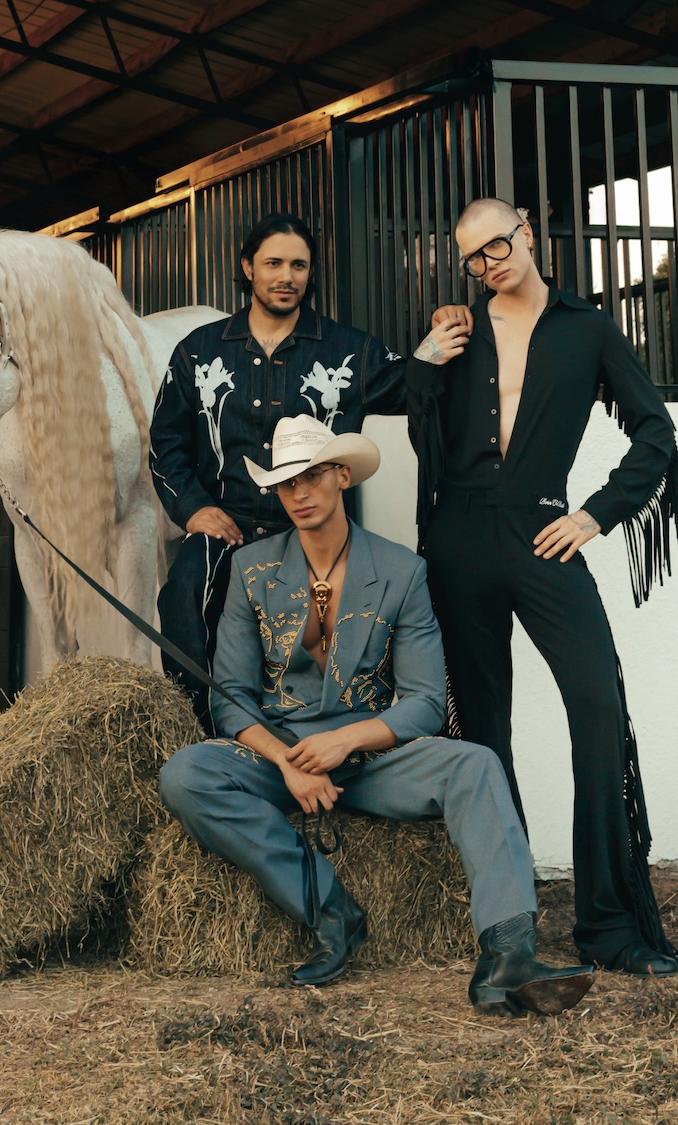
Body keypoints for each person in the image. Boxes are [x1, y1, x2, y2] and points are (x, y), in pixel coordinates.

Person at [160, 414, 595, 1017]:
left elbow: (424, 700)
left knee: (474, 765)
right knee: (186, 774)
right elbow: (229, 695)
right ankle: (331, 909)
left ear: (342, 475)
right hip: (282, 752)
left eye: (312, 476)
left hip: (369, 757)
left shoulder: (401, 571)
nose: (300, 493)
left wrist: (345, 742)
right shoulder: (251, 568)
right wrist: (287, 762)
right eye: (286, 483)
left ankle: (508, 956)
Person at [406, 197, 678, 978]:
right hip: (459, 537)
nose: (488, 264)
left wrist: (595, 514)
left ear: (527, 231)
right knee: (482, 729)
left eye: (497, 245)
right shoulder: (458, 330)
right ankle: (510, 920)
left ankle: (608, 924)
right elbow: (411, 417)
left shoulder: (587, 328)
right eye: (472, 257)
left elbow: (655, 431)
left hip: (541, 531)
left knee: (597, 702)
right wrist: (426, 357)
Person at [149, 212, 408, 727]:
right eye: (273, 263)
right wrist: (194, 509)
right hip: (228, 528)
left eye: (298, 265)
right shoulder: (198, 351)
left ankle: (325, 743)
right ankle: (203, 735)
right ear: (248, 267)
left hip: (313, 532)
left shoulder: (350, 350)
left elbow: (418, 387)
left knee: (333, 643)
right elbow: (166, 442)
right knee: (184, 592)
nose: (286, 276)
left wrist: (445, 337)